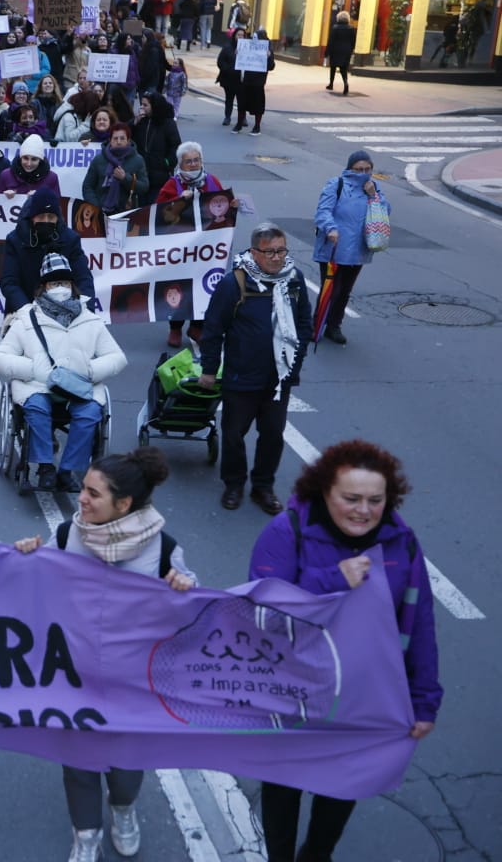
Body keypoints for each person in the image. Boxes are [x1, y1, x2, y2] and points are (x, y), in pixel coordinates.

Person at [248, 440, 440, 862]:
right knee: (283, 786)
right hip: (292, 694)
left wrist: (424, 701)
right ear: (324, 493)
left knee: (344, 783)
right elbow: (261, 612)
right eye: (350, 498)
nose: (364, 510)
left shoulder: (401, 542)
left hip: (361, 695)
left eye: (376, 500)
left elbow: (418, 621)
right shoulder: (288, 531)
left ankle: (316, 855)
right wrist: (332, 581)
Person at [16, 447, 196, 860]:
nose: (81, 498)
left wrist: (184, 589)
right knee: (78, 761)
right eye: (83, 488)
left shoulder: (163, 549)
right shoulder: (67, 535)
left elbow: (193, 617)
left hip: (133, 683)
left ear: (125, 504)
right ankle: (86, 833)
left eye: (93, 494)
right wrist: (22, 558)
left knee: (127, 764)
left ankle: (123, 806)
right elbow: (35, 590)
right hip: (74, 676)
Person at [198, 222, 312, 514]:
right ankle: (234, 484)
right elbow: (212, 329)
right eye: (270, 252)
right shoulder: (233, 284)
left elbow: (304, 325)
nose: (277, 257)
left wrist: (293, 363)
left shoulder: (294, 280)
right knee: (234, 434)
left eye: (281, 251)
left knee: (273, 435)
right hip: (241, 376)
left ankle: (263, 487)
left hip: (279, 379)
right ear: (254, 252)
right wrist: (209, 369)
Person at [0, 253, 127, 493]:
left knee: (90, 414)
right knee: (36, 408)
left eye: (64, 283)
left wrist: (90, 371)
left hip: (79, 384)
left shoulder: (90, 320)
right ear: (43, 287)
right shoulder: (26, 319)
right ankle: (45, 467)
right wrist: (32, 369)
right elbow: (0, 357)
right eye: (55, 283)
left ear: (73, 285)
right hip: (37, 385)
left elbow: (117, 357)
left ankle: (66, 471)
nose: (60, 288)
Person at [313, 151, 387, 346]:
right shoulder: (336, 185)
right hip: (334, 247)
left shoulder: (374, 187)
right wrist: (330, 228)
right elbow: (323, 211)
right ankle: (317, 324)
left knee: (345, 290)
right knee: (332, 289)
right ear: (349, 168)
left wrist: (373, 195)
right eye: (359, 169)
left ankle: (334, 326)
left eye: (367, 169)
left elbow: (384, 212)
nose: (363, 173)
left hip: (359, 249)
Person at [156, 142, 223, 346]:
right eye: (189, 161)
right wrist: (178, 200)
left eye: (196, 160)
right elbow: (159, 213)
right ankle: (175, 328)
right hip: (180, 247)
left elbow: (223, 205)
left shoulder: (212, 181)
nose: (193, 164)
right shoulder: (172, 185)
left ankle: (197, 326)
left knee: (204, 285)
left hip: (207, 247)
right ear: (180, 164)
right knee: (179, 286)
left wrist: (233, 206)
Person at [1, 189, 96, 317]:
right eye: (41, 216)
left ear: (57, 218)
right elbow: (9, 281)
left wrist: (86, 310)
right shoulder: (15, 240)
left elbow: (84, 278)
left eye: (51, 217)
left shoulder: (70, 239)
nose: (46, 221)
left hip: (63, 310)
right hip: (23, 310)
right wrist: (26, 310)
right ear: (32, 217)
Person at [82, 123, 148, 216]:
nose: (119, 142)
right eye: (115, 138)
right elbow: (87, 187)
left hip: (126, 213)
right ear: (110, 140)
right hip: (100, 212)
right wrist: (96, 207)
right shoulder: (99, 159)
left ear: (128, 140)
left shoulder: (137, 160)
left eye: (122, 138)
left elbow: (144, 187)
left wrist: (125, 178)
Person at [132, 92, 179, 205]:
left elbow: (176, 147)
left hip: (160, 176)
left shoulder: (168, 123)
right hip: (142, 174)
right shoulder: (141, 121)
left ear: (154, 106)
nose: (142, 108)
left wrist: (166, 163)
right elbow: (129, 137)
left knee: (155, 207)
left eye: (145, 105)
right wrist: (134, 123)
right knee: (141, 208)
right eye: (141, 104)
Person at [0, 133, 61, 199]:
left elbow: (56, 205)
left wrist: (41, 196)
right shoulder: (6, 175)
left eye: (34, 159)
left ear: (40, 160)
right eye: (25, 158)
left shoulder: (52, 178)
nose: (29, 164)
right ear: (20, 158)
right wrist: (4, 197)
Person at [234, 30, 274, 135]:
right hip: (246, 80)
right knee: (242, 103)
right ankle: (239, 124)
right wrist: (237, 54)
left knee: (257, 105)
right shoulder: (248, 46)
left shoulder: (267, 49)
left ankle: (257, 126)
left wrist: (269, 57)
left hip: (258, 82)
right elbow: (240, 61)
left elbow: (271, 66)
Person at [216, 27, 243, 126]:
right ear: (234, 36)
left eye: (242, 35)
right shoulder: (227, 47)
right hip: (229, 79)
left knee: (242, 100)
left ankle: (242, 118)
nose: (240, 37)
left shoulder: (247, 48)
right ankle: (227, 117)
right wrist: (227, 69)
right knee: (229, 99)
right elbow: (220, 61)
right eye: (238, 35)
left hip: (242, 79)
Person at [326, 10, 356, 95]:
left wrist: (327, 52)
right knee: (344, 69)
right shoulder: (351, 29)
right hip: (346, 51)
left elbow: (330, 41)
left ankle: (331, 84)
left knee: (333, 67)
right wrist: (351, 49)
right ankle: (345, 83)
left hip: (335, 50)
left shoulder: (335, 28)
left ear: (338, 18)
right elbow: (353, 41)